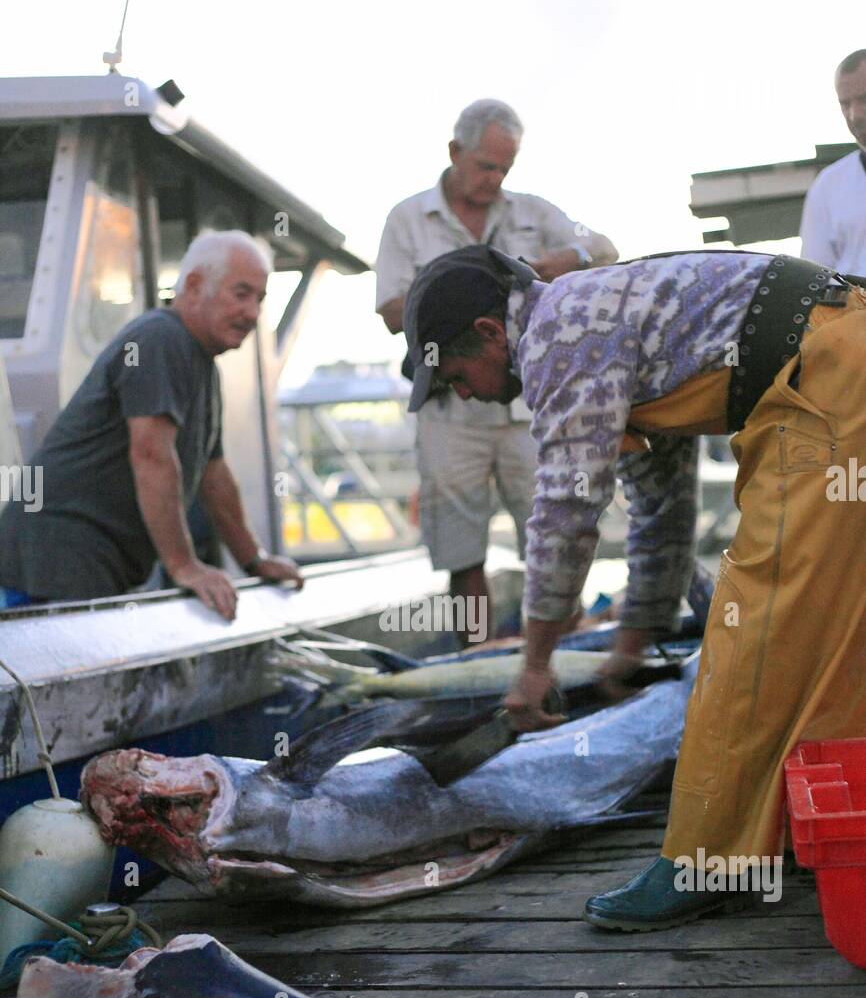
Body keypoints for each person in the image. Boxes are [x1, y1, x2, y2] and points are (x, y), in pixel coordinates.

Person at [402, 243, 866, 929]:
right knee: (830, 633)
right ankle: (820, 832)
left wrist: (533, 668)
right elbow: (663, 511)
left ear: (493, 333)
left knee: (751, 625)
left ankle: (710, 859)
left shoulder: (559, 338)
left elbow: (566, 513)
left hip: (830, 385)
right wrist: (632, 642)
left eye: (456, 375)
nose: (462, 392)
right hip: (845, 361)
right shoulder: (614, 325)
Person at [375, 99, 617, 645]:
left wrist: (569, 257)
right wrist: (462, 286)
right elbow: (391, 310)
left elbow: (604, 249)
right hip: (448, 403)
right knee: (461, 545)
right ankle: (477, 658)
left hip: (528, 401)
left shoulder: (535, 211)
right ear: (455, 152)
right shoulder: (406, 218)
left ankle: (561, 654)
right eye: (486, 166)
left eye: (505, 168)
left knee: (553, 527)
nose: (495, 179)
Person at [0, 230, 302, 619]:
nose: (253, 314)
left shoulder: (202, 363)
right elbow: (151, 454)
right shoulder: (160, 338)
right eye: (241, 294)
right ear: (194, 285)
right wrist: (184, 566)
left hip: (86, 561)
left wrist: (253, 560)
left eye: (260, 300)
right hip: (53, 558)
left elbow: (214, 474)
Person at [800, 49, 866, 274]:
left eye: (865, 99)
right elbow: (814, 279)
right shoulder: (827, 186)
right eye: (845, 104)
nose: (855, 115)